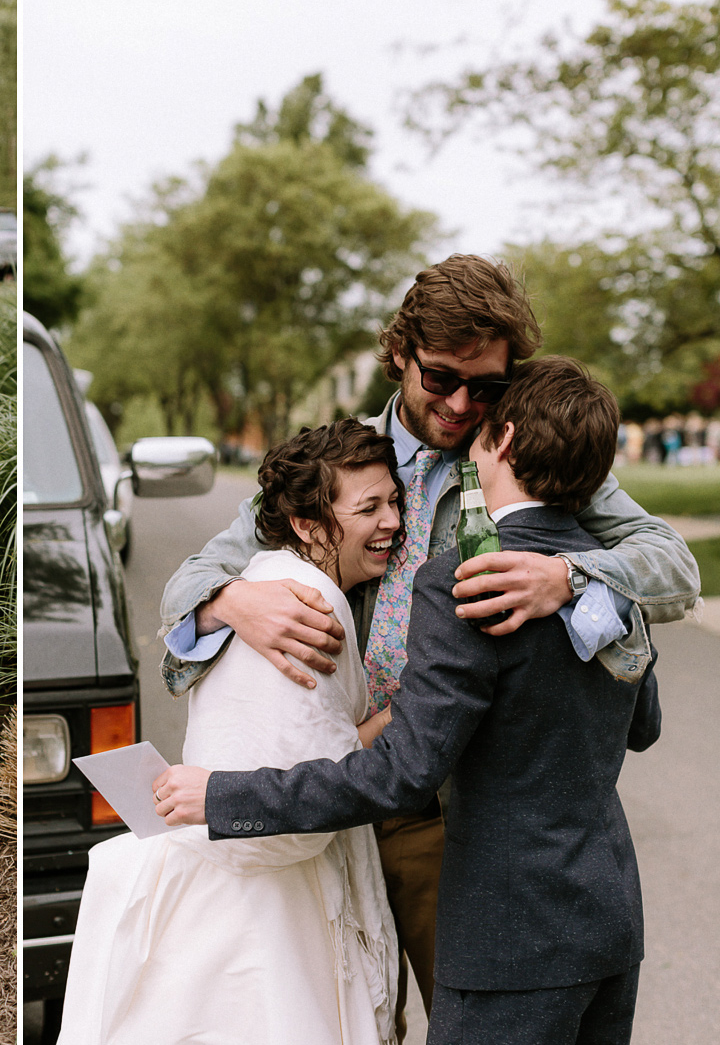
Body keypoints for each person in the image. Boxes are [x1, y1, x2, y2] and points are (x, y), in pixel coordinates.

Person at [159, 254, 698, 1036]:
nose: (460, 405)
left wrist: (569, 576)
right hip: (333, 788)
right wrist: (230, 598)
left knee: (478, 1015)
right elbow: (195, 576)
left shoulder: (521, 447)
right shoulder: (336, 454)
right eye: (441, 378)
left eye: (486, 387)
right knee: (345, 1017)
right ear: (400, 355)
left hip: (449, 809)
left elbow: (671, 564)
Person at [58, 420, 404, 1045]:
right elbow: (293, 816)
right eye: (370, 508)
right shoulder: (307, 607)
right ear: (307, 524)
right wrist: (402, 717)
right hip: (271, 903)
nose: (392, 522)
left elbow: (309, 740)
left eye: (394, 502)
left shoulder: (276, 579)